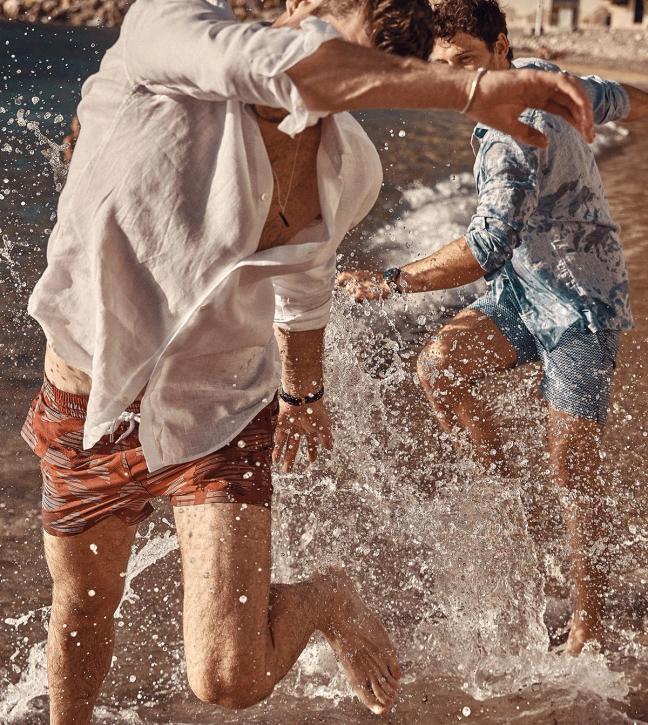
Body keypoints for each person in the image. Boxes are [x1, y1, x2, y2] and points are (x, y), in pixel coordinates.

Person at [21, 0, 596, 721]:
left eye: (359, 66)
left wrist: (302, 395)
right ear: (294, 5)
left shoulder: (349, 164)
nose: (329, 67)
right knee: (82, 607)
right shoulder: (166, 30)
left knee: (228, 679)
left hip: (220, 406)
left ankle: (325, 596)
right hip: (89, 396)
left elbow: (301, 285)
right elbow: (279, 66)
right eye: (328, 37)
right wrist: (469, 90)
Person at [337, 0, 648, 657]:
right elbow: (617, 98)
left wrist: (389, 281)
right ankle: (517, 517)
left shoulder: (514, 133)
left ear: (501, 48)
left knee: (573, 471)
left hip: (579, 302)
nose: (457, 79)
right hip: (520, 291)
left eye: (468, 61)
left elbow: (485, 247)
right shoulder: (543, 76)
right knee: (440, 368)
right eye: (444, 65)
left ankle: (589, 620)